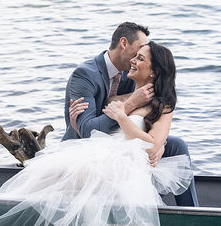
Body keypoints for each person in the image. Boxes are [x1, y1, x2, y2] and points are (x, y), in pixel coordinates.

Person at [0, 40, 194, 226]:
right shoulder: (120, 98)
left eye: (141, 58)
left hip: (125, 165)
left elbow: (152, 143)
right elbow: (97, 131)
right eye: (135, 55)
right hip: (102, 152)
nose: (134, 60)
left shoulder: (163, 104)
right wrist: (79, 124)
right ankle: (0, 211)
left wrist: (123, 118)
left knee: (77, 178)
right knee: (51, 173)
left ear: (155, 71)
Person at [65, 22, 198, 207]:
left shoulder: (129, 75)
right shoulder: (86, 75)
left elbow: (151, 118)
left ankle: (192, 211)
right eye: (138, 51)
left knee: (176, 145)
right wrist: (129, 105)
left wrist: (160, 143)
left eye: (141, 57)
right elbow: (88, 131)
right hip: (89, 146)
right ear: (124, 43)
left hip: (127, 146)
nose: (136, 58)